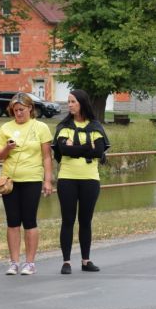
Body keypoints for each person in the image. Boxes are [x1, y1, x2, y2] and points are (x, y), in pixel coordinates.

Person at [0, 92, 53, 275]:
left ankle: (30, 262)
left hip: (32, 179)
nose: (18, 113)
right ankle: (14, 262)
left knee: (29, 220)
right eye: (15, 110)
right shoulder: (5, 127)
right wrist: (7, 147)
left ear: (30, 108)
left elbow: (46, 157)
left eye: (21, 109)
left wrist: (48, 180)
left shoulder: (41, 127)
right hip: (10, 181)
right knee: (12, 221)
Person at [53, 89, 110, 275]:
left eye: (73, 101)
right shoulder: (64, 126)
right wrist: (87, 147)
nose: (69, 105)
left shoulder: (95, 126)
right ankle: (66, 262)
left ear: (82, 103)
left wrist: (76, 147)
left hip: (90, 179)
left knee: (85, 221)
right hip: (67, 179)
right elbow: (64, 150)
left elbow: (99, 151)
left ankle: (86, 260)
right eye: (68, 101)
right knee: (68, 220)